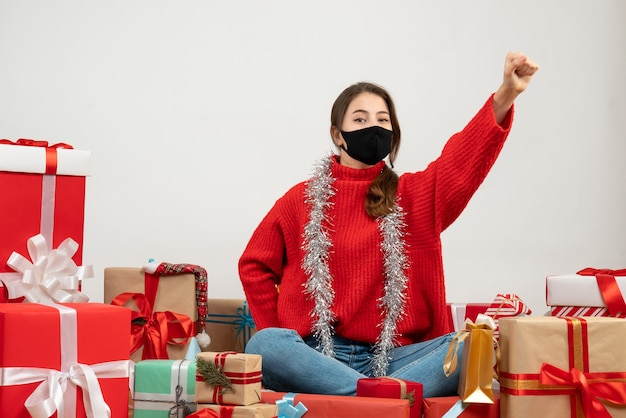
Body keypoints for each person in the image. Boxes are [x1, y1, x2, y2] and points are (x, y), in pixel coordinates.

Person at [238, 51, 539, 397]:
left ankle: (371, 399)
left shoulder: (414, 195)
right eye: (361, 119)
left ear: (392, 132)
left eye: (383, 120)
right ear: (338, 134)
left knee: (472, 345)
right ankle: (387, 401)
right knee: (266, 344)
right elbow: (253, 264)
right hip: (315, 357)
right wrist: (288, 339)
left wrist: (506, 94)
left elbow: (460, 163)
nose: (374, 127)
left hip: (394, 358)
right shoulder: (300, 200)